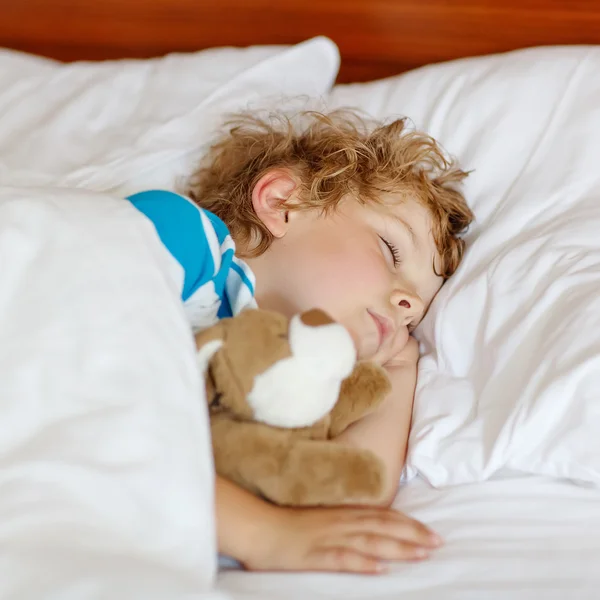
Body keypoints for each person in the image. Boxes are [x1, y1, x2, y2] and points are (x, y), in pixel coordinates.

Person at [127, 110, 474, 574]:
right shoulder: (179, 238)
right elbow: (89, 401)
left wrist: (400, 369)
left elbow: (344, 493)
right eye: (391, 251)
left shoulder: (293, 392)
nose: (408, 303)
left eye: (417, 313)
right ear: (282, 202)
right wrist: (263, 533)